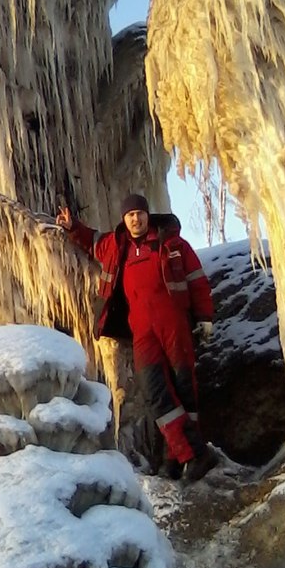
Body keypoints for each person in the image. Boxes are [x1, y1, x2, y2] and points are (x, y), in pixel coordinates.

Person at [57, 192, 218, 482]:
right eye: (130, 215)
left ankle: (178, 457)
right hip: (142, 331)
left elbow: (196, 279)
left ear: (147, 215)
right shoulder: (116, 246)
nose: (135, 219)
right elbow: (92, 241)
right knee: (155, 391)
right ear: (124, 219)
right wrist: (72, 228)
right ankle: (191, 453)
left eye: (140, 213)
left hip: (175, 323)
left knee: (184, 389)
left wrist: (205, 317)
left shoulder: (173, 244)